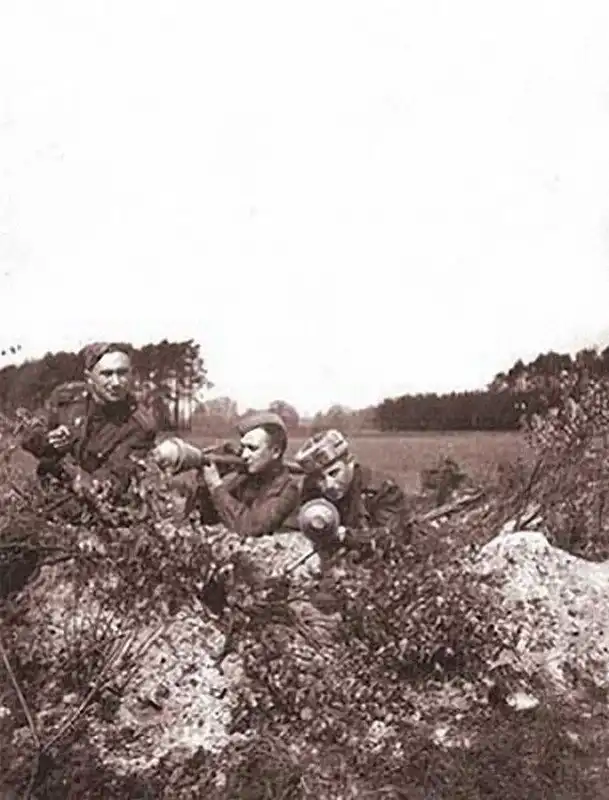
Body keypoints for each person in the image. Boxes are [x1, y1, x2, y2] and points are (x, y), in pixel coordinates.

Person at [20, 342, 157, 501]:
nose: (116, 383)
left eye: (122, 373)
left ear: (131, 374)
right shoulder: (66, 397)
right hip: (46, 493)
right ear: (89, 377)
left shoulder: (140, 426)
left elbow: (114, 481)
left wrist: (75, 474)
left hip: (94, 506)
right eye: (107, 374)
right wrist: (48, 439)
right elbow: (28, 433)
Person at [185, 411, 300, 538]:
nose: (244, 455)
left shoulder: (288, 488)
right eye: (243, 447)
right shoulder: (244, 479)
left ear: (276, 451)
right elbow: (208, 519)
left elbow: (250, 529)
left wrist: (215, 486)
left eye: (252, 448)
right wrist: (204, 487)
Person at [293, 428, 410, 551]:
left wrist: (343, 536)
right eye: (319, 480)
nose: (328, 485)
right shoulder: (311, 491)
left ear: (350, 462)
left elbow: (392, 538)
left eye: (334, 473)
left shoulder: (383, 489)